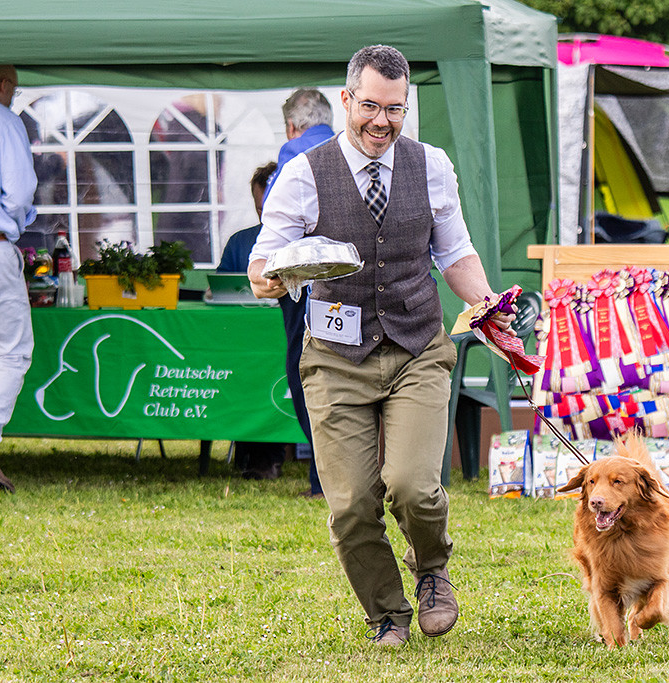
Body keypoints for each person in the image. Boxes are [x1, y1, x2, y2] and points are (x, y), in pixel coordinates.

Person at [247, 45, 514, 646]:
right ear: (346, 99)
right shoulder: (303, 175)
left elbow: (455, 252)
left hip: (417, 346)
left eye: (395, 109)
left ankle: (433, 569)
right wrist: (274, 277)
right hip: (336, 358)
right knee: (350, 503)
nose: (381, 121)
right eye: (370, 106)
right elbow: (263, 263)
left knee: (414, 484)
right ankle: (387, 613)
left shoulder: (431, 165)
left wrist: (490, 309)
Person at [265, 89, 335, 499]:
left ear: (292, 125)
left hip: (304, 284)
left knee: (306, 372)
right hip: (349, 279)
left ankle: (322, 479)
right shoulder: (347, 148)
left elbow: (272, 217)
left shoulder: (293, 153)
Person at [218, 162, 287, 480]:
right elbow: (219, 287)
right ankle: (252, 455)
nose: (265, 216)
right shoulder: (240, 242)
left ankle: (267, 457)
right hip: (245, 337)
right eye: (260, 209)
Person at [0, 65, 38, 493]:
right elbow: (20, 190)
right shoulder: (5, 121)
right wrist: (14, 222)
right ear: (3, 86)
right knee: (11, 351)